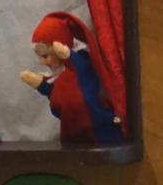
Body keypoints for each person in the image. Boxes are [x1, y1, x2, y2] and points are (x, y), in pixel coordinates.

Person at [20, 11, 123, 143]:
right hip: (72, 130)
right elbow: (58, 94)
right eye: (40, 57)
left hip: (96, 126)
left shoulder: (80, 62)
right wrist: (42, 84)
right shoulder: (60, 74)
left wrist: (69, 56)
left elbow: (83, 79)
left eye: (45, 56)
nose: (42, 62)